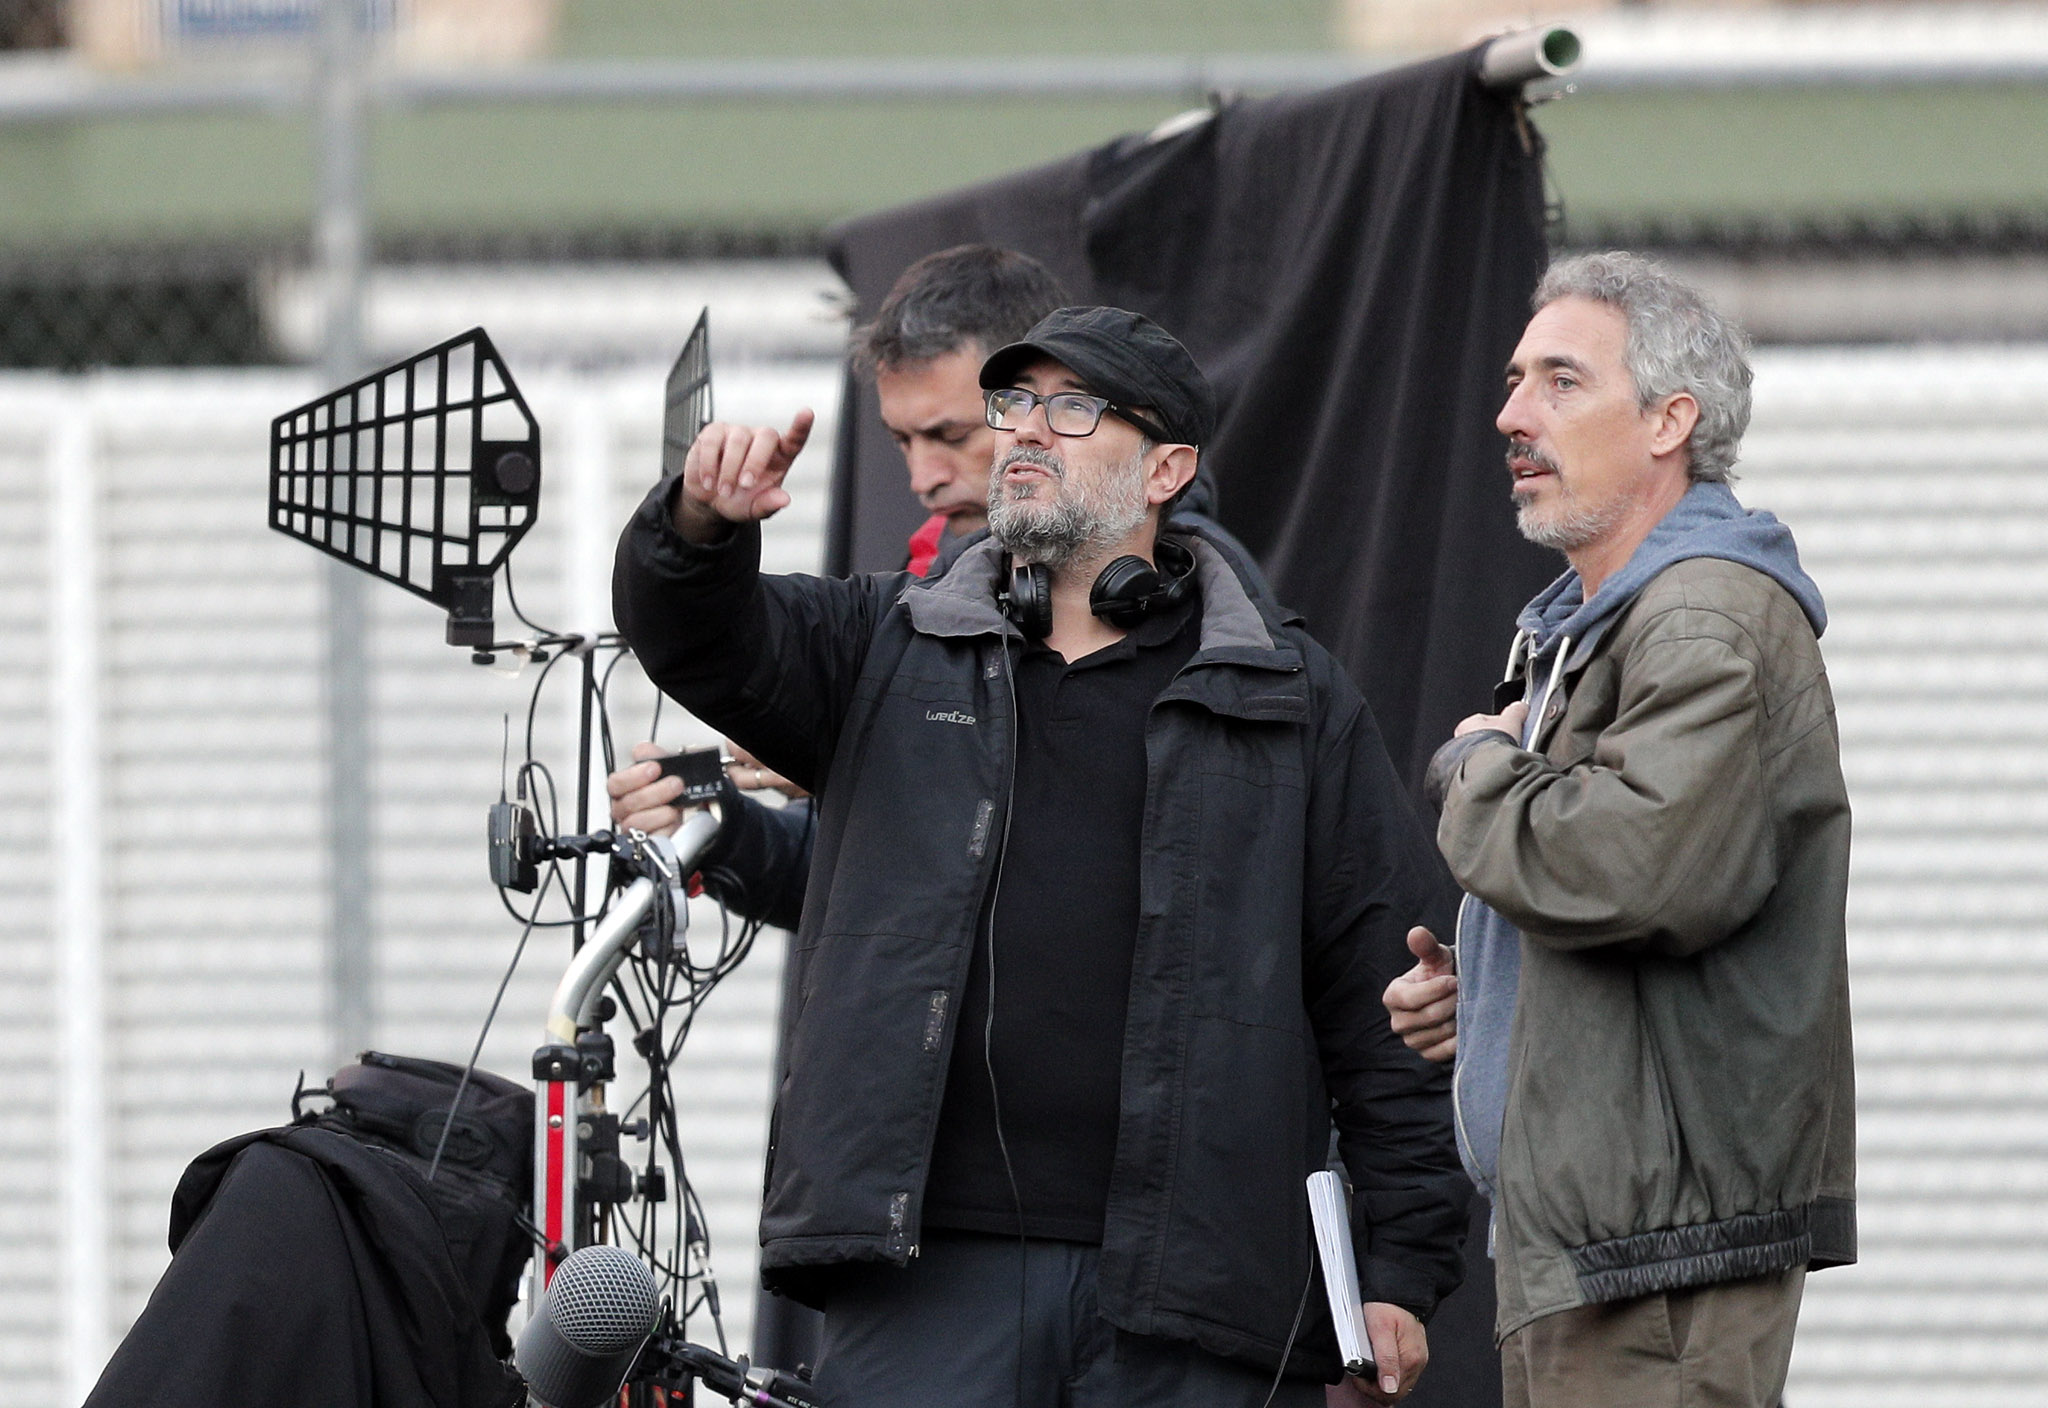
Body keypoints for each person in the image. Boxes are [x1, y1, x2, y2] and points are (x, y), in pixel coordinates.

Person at [613, 305, 1467, 1407]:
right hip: (926, 1275)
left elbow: (1382, 994)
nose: (1021, 433)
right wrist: (700, 527)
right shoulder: (884, 644)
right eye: (1012, 405)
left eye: (1069, 410)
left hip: (1194, 1292)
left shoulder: (1288, 695)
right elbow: (697, 637)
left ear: (1164, 468)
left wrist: (1398, 1270)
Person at [1382, 252, 1855, 1408]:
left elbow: (1638, 873)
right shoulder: (1599, 620)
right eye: (1511, 381)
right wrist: (1493, 998)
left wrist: (1475, 765)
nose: (1509, 414)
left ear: (1667, 421)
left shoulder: (1699, 614)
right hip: (1597, 1250)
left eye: (1557, 381)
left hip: (1656, 1262)